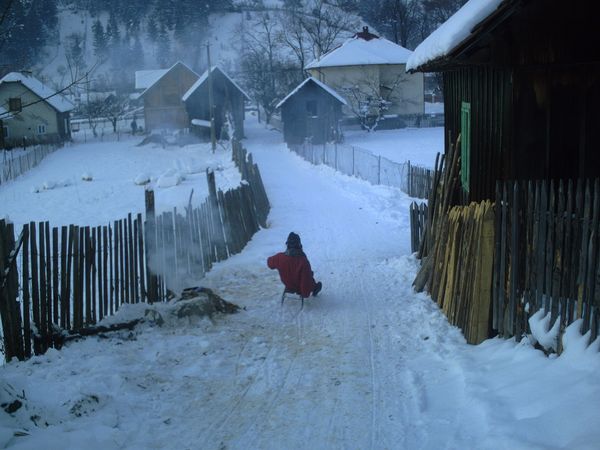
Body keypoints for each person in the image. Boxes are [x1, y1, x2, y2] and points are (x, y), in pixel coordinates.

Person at [267, 232, 322, 298]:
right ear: (299, 245)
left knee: (306, 273)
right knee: (309, 275)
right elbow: (306, 280)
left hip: (288, 285)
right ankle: (315, 288)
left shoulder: (280, 257)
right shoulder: (303, 261)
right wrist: (305, 293)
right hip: (300, 288)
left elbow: (269, 263)